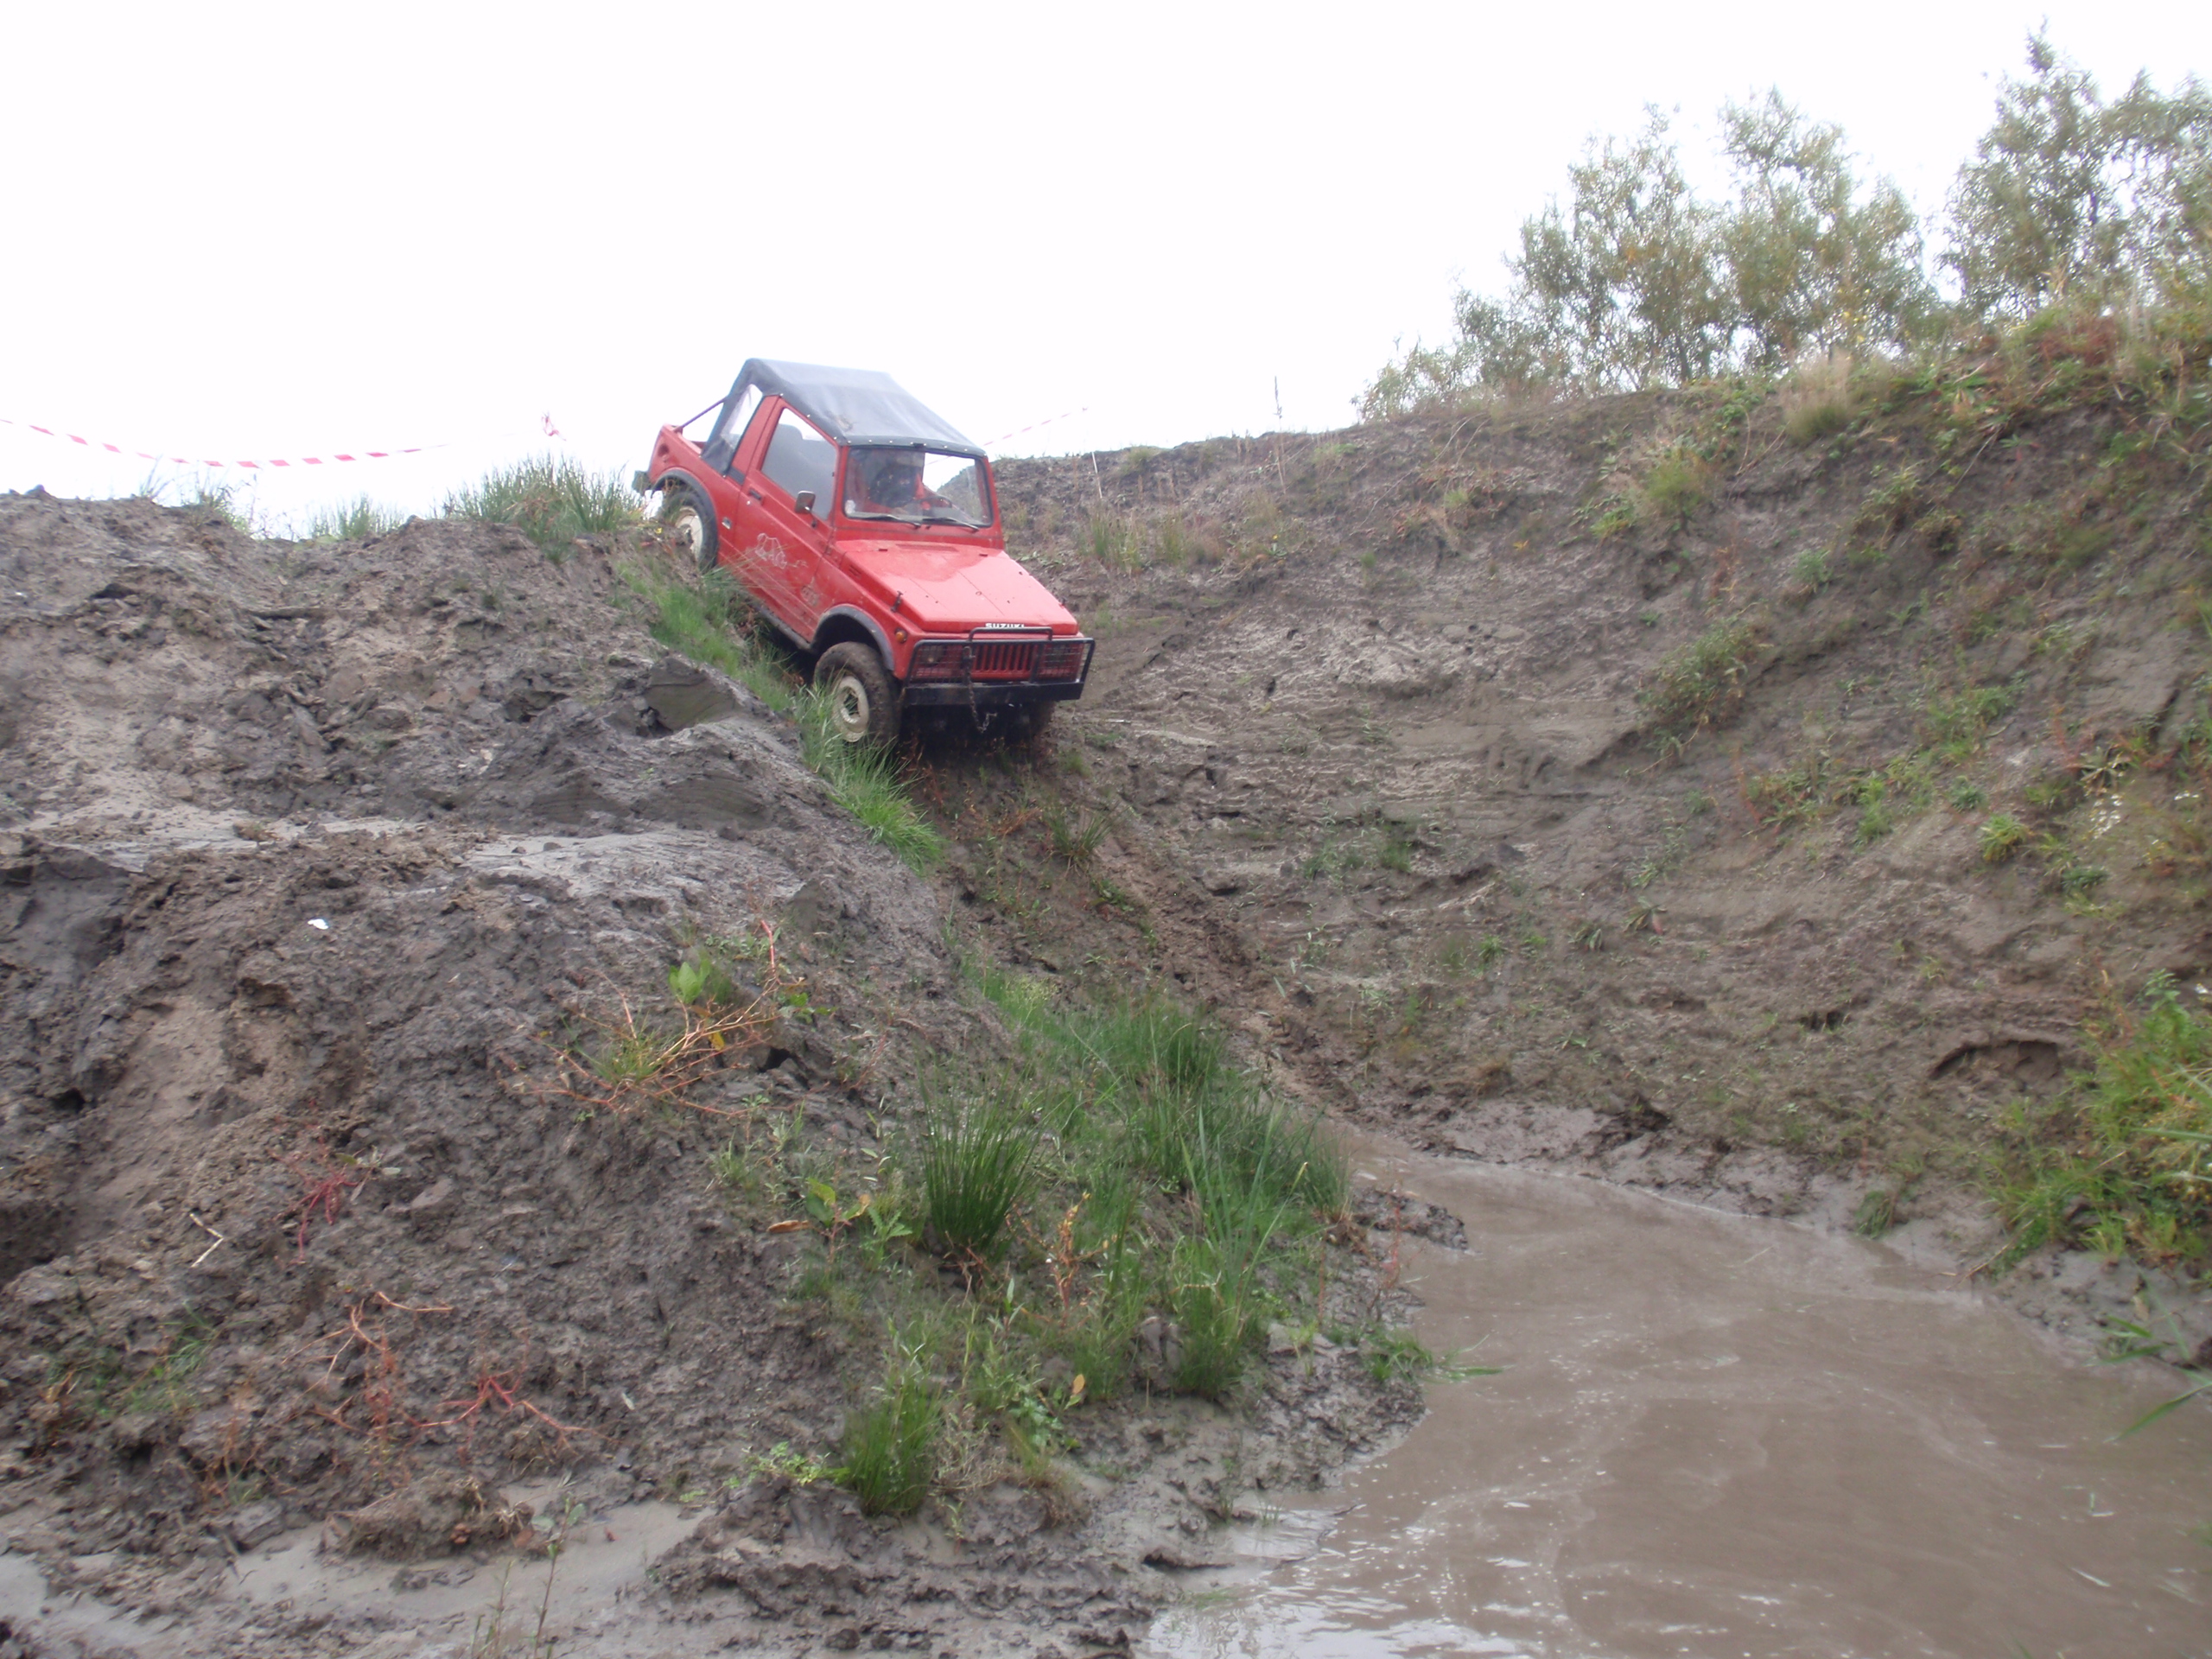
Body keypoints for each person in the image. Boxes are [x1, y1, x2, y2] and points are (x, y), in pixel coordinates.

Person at [848, 449, 950, 518]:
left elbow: (921, 497)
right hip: (879, 525)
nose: (910, 458)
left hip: (911, 523)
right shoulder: (870, 473)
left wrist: (924, 509)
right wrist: (889, 512)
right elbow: (861, 505)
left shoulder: (911, 474)